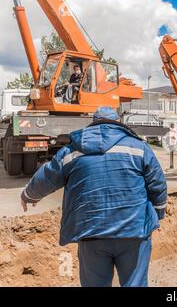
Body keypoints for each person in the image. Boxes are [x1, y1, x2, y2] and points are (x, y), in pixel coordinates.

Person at [20, 107, 167, 287]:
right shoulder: (139, 147)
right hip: (134, 232)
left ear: (93, 123)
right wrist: (158, 213)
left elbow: (49, 176)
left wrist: (28, 195)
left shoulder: (71, 151)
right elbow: (157, 184)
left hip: (91, 233)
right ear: (118, 123)